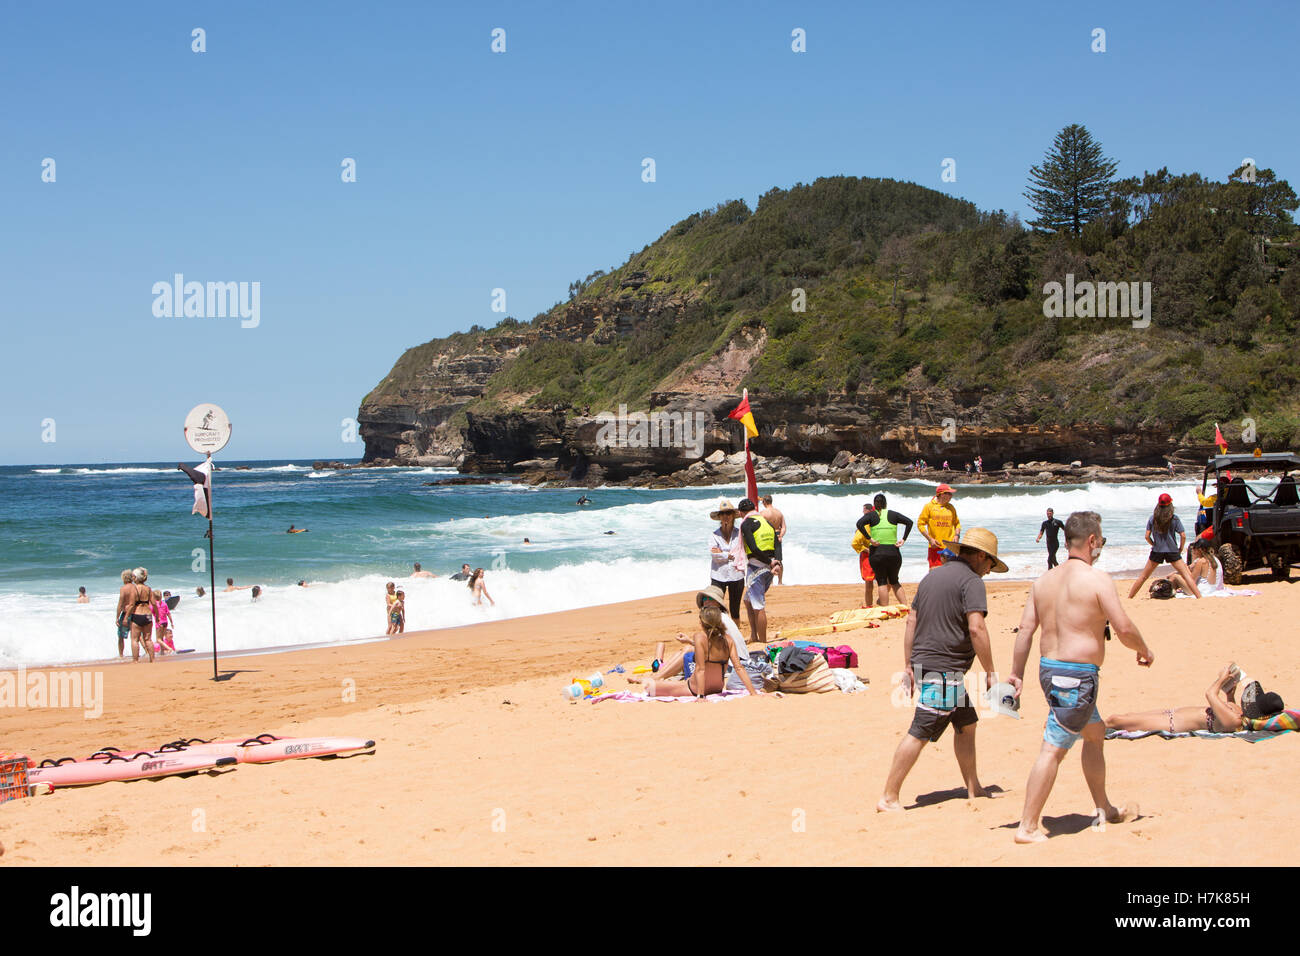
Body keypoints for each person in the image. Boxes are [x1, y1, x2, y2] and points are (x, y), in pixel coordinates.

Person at [1009, 511, 1153, 844]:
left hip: (1050, 671)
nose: (1100, 546)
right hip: (1075, 677)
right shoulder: (1097, 579)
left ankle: (1103, 806)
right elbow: (1124, 627)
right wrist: (1144, 649)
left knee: (1095, 732)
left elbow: (1026, 630)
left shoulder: (1043, 581)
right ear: (1091, 541)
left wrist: (1016, 674)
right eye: (1100, 540)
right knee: (1053, 749)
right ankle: (1028, 826)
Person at [878, 529, 1007, 812]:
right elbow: (976, 627)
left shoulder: (932, 576)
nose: (988, 571)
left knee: (966, 724)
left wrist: (908, 665)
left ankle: (974, 787)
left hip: (929, 665)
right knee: (920, 731)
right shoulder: (972, 582)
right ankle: (889, 797)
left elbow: (911, 621)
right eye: (990, 564)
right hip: (944, 671)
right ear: (981, 556)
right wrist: (991, 671)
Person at [1106, 663, 1284, 735]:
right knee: (1125, 716)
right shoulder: (1240, 714)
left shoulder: (1234, 720)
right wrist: (1230, 694)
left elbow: (1210, 694)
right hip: (1173, 713)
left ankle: (1083, 729)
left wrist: (1222, 678)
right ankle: (1086, 728)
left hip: (1172, 723)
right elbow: (1225, 704)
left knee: (1116, 720)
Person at [644, 604, 759, 698]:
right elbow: (739, 667)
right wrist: (753, 693)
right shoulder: (728, 639)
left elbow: (700, 669)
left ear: (702, 623)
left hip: (696, 689)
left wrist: (700, 696)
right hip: (717, 687)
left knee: (649, 686)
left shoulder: (699, 637)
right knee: (683, 681)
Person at [1127, 493, 1200, 599]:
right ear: (1170, 504)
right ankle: (1199, 597)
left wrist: (1154, 544)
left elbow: (1147, 536)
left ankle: (1130, 597)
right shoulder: (1174, 519)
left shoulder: (1153, 518)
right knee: (1186, 575)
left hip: (1157, 550)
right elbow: (1183, 535)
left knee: (1143, 576)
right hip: (1172, 550)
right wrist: (1180, 548)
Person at [738, 498, 781, 644]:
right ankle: (754, 635)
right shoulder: (767, 522)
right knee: (748, 600)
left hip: (757, 567)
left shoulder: (746, 523)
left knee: (758, 605)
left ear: (740, 513)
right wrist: (777, 563)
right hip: (769, 567)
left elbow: (754, 548)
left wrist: (770, 562)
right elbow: (777, 543)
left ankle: (762, 642)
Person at [858, 493, 914, 606]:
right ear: (886, 504)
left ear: (874, 505)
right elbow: (909, 522)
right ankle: (905, 607)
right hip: (894, 552)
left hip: (877, 552)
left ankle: (885, 608)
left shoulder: (872, 515)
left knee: (882, 582)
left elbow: (859, 524)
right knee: (894, 581)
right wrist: (903, 539)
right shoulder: (893, 514)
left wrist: (870, 539)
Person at [708, 499, 745, 623]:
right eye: (723, 514)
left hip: (737, 574)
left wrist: (722, 554)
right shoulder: (714, 535)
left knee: (735, 609)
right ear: (719, 517)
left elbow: (741, 552)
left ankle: (736, 637)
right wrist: (728, 555)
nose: (726, 516)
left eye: (728, 513)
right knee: (717, 608)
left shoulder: (740, 534)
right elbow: (714, 555)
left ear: (733, 516)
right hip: (718, 575)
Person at [917, 484, 960, 569]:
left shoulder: (951, 507)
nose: (951, 496)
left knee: (950, 573)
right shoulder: (929, 506)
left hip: (950, 546)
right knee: (934, 573)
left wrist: (957, 535)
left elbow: (957, 524)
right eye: (949, 493)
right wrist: (930, 539)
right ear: (942, 494)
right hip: (936, 546)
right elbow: (920, 524)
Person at [125, 568, 155, 663]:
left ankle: (135, 660)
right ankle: (152, 659)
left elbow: (131, 605)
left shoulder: (134, 589)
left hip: (137, 615)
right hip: (148, 615)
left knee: (135, 639)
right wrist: (157, 616)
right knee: (148, 639)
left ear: (135, 578)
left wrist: (126, 617)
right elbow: (154, 603)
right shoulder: (149, 589)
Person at [759, 495, 787, 584]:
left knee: (769, 560)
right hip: (778, 535)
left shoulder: (763, 513)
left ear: (764, 502)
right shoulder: (779, 513)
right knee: (778, 560)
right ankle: (780, 582)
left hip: (768, 537)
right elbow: (783, 527)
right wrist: (781, 535)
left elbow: (760, 527)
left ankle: (770, 582)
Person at [856, 504, 877, 609]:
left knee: (869, 584)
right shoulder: (878, 522)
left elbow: (855, 543)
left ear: (867, 511)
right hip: (878, 553)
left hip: (868, 555)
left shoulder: (863, 524)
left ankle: (869, 606)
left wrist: (867, 550)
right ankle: (880, 601)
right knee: (886, 581)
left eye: (863, 510)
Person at [114, 569, 134, 657]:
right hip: (136, 613)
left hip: (126, 614)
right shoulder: (136, 587)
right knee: (137, 636)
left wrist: (117, 617)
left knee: (121, 636)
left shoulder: (123, 589)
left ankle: (121, 655)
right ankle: (146, 652)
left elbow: (120, 603)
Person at [151, 590, 175, 654]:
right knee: (161, 638)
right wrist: (172, 623)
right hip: (165, 623)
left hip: (159, 623)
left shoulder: (154, 605)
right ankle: (162, 652)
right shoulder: (164, 604)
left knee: (158, 639)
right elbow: (168, 614)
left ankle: (169, 648)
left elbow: (150, 611)